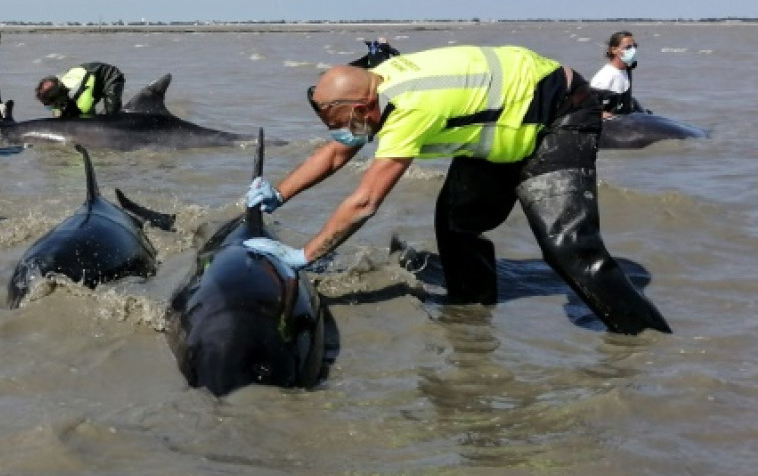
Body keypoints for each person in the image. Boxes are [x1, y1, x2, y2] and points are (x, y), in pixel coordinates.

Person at [243, 45, 670, 335]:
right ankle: (472, 318)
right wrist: (279, 193)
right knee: (455, 224)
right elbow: (339, 151)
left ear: (362, 107)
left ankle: (645, 339)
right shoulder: (375, 83)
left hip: (558, 113)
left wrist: (305, 256)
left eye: (346, 123)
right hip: (499, 122)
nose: (346, 134)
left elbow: (366, 201)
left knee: (567, 248)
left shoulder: (411, 108)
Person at [35, 62, 126, 118]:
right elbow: (58, 110)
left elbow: (86, 113)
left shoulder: (78, 92)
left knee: (111, 115)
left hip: (110, 77)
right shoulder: (58, 80)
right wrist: (57, 111)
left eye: (52, 105)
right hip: (91, 81)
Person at [589, 31, 644, 118]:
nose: (633, 50)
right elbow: (590, 109)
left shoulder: (626, 70)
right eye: (628, 47)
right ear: (614, 50)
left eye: (635, 46)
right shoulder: (604, 77)